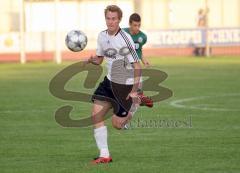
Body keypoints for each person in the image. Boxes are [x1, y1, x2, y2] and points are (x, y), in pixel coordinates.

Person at [84, 5, 142, 164]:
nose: (110, 22)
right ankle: (104, 155)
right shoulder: (102, 36)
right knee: (96, 115)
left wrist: (134, 91)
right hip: (110, 81)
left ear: (119, 20)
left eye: (114, 19)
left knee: (117, 125)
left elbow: (137, 66)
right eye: (108, 18)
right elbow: (100, 59)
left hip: (127, 84)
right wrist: (92, 60)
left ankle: (136, 103)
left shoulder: (125, 39)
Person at [123, 13, 153, 108]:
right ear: (130, 24)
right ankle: (139, 98)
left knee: (137, 87)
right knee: (124, 92)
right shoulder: (122, 33)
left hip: (135, 65)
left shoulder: (142, 37)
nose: (137, 28)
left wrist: (144, 60)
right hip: (123, 65)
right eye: (135, 25)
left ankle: (140, 97)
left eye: (139, 25)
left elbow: (139, 50)